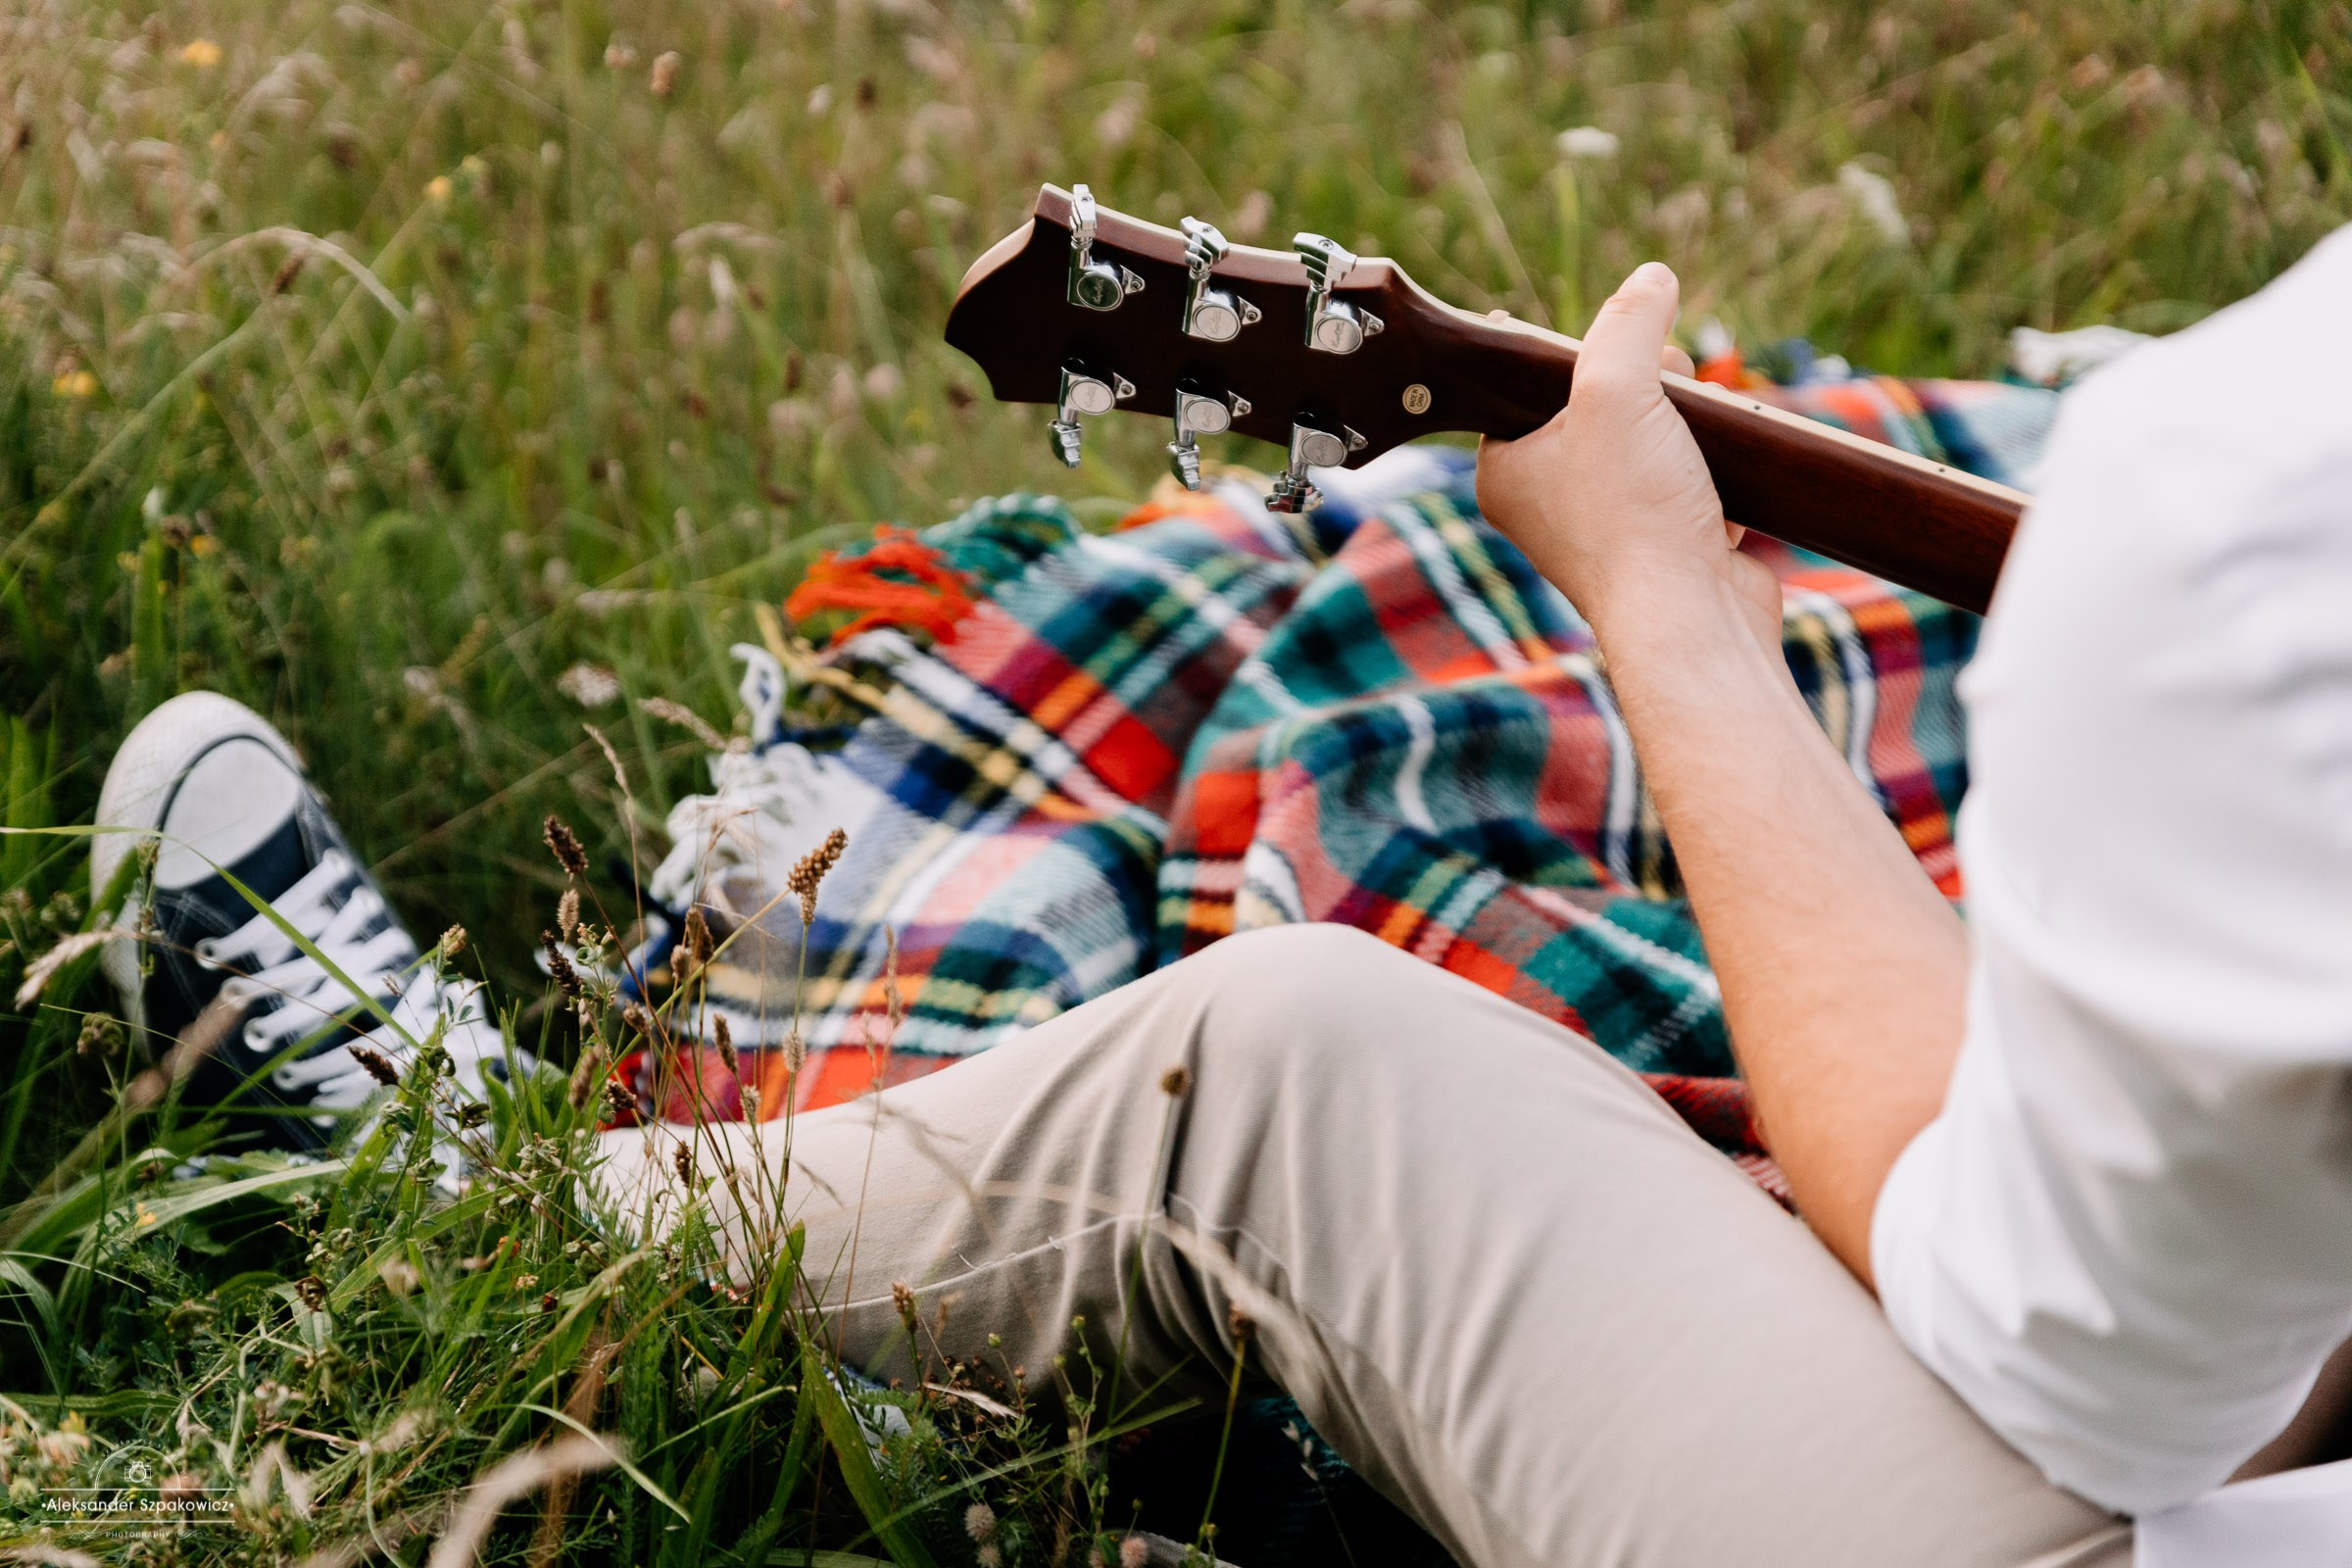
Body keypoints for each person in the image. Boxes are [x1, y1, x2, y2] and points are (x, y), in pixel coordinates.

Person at [97, 226, 2352, 1565]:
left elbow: (2111, 1378)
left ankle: (437, 1213)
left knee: (1297, 1069)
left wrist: (1672, 613)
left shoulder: (2247, 512)